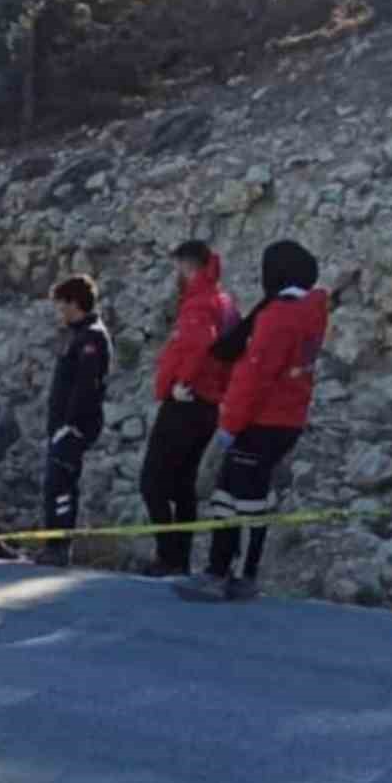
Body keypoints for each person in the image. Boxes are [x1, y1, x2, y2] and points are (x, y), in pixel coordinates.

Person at [175, 241, 327, 602]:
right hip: (287, 419)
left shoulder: (278, 316)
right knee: (253, 496)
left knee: (231, 495)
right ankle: (243, 573)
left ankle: (220, 574)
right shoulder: (311, 312)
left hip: (261, 420)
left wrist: (230, 425)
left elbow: (253, 378)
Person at [140, 242, 238, 576]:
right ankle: (178, 559)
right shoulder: (224, 302)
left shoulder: (199, 304)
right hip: (209, 406)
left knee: (152, 482)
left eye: (179, 268)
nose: (177, 276)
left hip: (186, 403)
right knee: (183, 484)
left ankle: (168, 557)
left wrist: (182, 383)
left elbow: (198, 344)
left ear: (188, 266)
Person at [39, 275, 113, 567]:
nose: (60, 312)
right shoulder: (79, 335)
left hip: (73, 428)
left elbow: (87, 387)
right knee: (57, 485)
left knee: (60, 485)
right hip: (62, 427)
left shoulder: (92, 338)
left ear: (74, 303)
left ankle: (58, 547)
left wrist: (69, 425)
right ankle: (54, 544)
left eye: (62, 305)